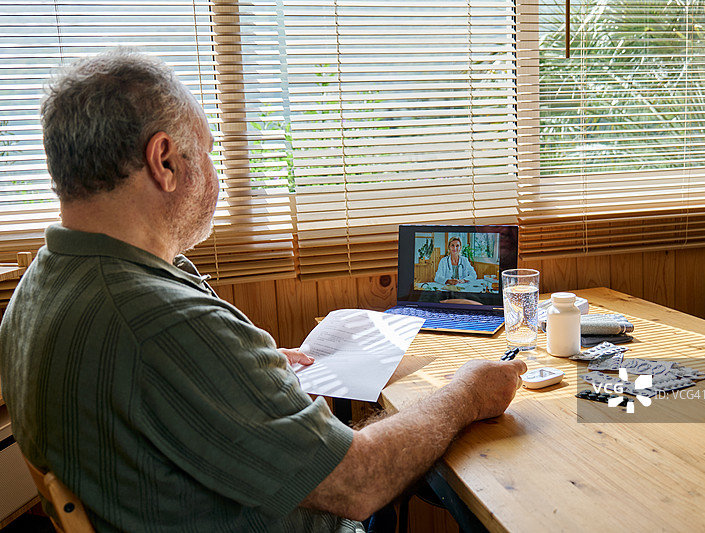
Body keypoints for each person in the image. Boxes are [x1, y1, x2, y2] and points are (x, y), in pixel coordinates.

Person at [0, 49, 527, 532]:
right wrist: (466, 394)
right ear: (164, 161)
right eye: (207, 152)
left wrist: (243, 376)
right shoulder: (161, 322)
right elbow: (359, 482)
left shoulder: (36, 292)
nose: (218, 177)